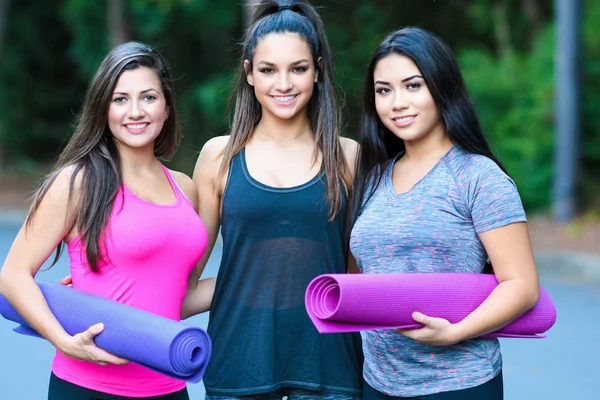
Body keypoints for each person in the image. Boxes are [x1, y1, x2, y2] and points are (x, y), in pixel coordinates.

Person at [0, 41, 212, 400]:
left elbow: (181, 296)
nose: (135, 111)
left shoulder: (185, 188)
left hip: (170, 385)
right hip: (89, 387)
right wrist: (64, 342)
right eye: (120, 99)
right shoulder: (78, 182)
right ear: (104, 109)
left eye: (148, 97)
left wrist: (255, 274)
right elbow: (13, 275)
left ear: (166, 107)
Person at [180, 1, 363, 399]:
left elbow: (353, 277)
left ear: (317, 70)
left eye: (298, 68)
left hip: (327, 365)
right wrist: (105, 289)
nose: (284, 84)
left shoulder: (349, 156)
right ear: (248, 73)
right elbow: (185, 282)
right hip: (238, 361)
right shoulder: (218, 156)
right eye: (268, 70)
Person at [348, 27, 541, 400]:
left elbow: (522, 285)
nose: (397, 102)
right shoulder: (373, 178)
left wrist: (457, 331)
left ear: (441, 86)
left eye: (413, 85)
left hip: (458, 383)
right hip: (377, 382)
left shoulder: (478, 177)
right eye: (383, 90)